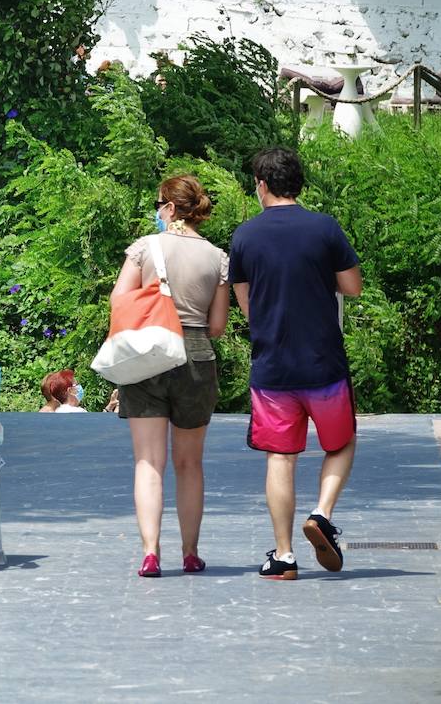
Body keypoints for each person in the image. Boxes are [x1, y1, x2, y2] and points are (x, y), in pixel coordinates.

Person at [229, 147, 363, 581]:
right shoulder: (324, 228)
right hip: (323, 363)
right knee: (340, 443)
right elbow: (353, 286)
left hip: (272, 369)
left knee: (280, 459)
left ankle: (284, 556)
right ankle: (321, 514)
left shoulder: (244, 236)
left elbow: (247, 307)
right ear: (298, 185)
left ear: (262, 185)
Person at [111, 175, 229, 577]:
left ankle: (150, 552)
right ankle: (191, 552)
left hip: (149, 354)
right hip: (196, 355)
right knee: (189, 463)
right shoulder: (217, 257)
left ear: (169, 208)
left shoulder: (145, 247)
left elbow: (118, 300)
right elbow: (217, 326)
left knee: (148, 462)